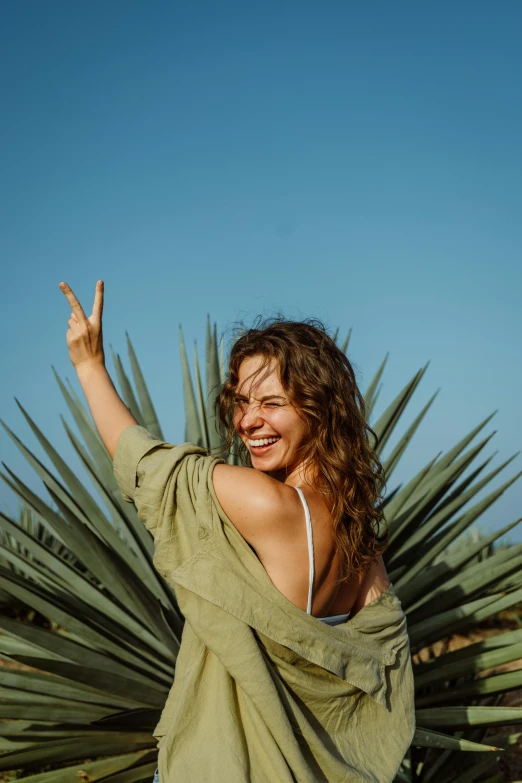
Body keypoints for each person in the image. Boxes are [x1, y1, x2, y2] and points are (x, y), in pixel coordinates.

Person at [59, 280, 415, 783]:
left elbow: (143, 463)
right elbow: (384, 656)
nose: (248, 421)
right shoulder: (357, 528)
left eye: (272, 403)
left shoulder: (267, 503)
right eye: (242, 402)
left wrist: (89, 366)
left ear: (319, 407)